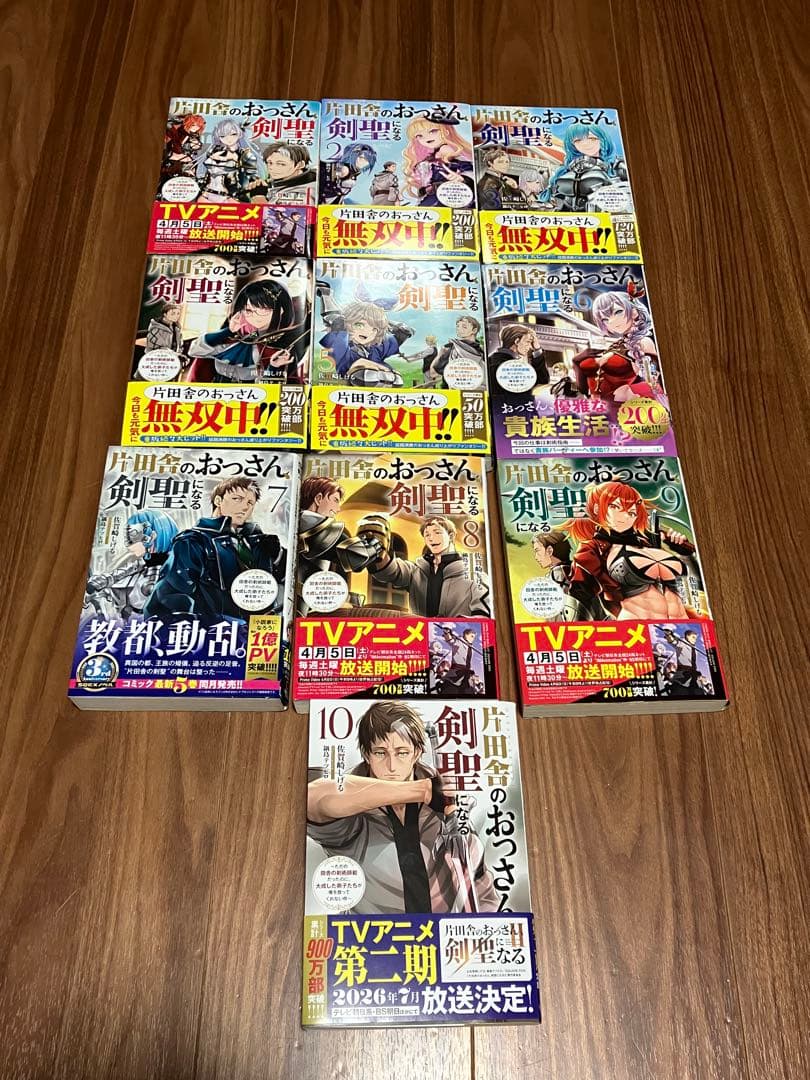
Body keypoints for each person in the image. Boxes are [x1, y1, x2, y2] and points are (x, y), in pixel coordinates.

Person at [306, 702, 498, 914]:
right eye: (380, 753)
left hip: (441, 931)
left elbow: (480, 888)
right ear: (367, 754)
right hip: (374, 932)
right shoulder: (349, 804)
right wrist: (423, 790)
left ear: (417, 752)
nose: (392, 766)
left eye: (402, 753)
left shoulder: (445, 801)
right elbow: (314, 797)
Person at [144, 477, 285, 621]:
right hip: (216, 629)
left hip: (260, 628)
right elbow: (171, 595)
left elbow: (288, 582)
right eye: (237, 499)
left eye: (250, 503)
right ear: (218, 501)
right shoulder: (193, 541)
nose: (245, 507)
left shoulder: (257, 540)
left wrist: (278, 556)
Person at [560, 481, 699, 621]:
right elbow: (578, 600)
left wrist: (684, 553)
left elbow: (694, 585)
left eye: (632, 512)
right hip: (635, 625)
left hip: (683, 624)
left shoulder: (646, 541)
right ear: (597, 509)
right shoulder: (592, 549)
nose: (626, 516)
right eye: (616, 507)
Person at [364, 514, 491, 618]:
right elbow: (391, 571)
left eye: (437, 532)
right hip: (419, 635)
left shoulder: (475, 575)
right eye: (427, 535)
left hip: (459, 637)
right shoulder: (417, 571)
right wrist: (378, 552)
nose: (431, 538)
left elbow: (484, 614)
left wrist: (460, 625)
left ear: (451, 536)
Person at [186, 278, 305, 383]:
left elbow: (274, 388)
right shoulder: (234, 334)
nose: (255, 316)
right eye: (249, 310)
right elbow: (196, 351)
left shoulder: (281, 345)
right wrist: (228, 331)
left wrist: (273, 367)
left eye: (263, 309)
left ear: (281, 311)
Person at [297, 477, 383, 613]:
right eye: (335, 500)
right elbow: (357, 558)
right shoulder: (315, 525)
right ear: (318, 499)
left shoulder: (294, 521)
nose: (337, 509)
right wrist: (374, 546)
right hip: (300, 602)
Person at [573, 285, 660, 407]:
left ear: (634, 312)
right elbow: (583, 387)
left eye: (618, 312)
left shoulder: (643, 342)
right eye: (605, 319)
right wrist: (576, 361)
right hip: (598, 408)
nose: (611, 322)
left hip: (624, 407)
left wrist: (629, 392)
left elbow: (655, 383)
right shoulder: (614, 346)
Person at [85, 510, 178, 619]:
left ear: (152, 537)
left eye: (133, 536)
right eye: (128, 537)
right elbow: (124, 571)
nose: (129, 545)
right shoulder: (142, 562)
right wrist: (103, 581)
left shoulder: (171, 567)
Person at [317, 282, 413, 386]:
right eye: (359, 325)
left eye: (374, 330)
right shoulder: (344, 347)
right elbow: (336, 320)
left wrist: (382, 323)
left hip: (380, 388)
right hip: (353, 383)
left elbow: (404, 332)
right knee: (365, 373)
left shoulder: (375, 348)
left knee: (395, 379)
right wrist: (326, 295)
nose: (367, 332)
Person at [540, 121, 627, 211]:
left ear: (602, 139)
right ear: (572, 144)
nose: (585, 144)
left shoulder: (617, 166)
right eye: (578, 140)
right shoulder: (566, 169)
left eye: (592, 138)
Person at [402, 114, 474, 206]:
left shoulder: (447, 149)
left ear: (446, 132)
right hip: (436, 197)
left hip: (448, 196)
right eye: (419, 135)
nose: (426, 137)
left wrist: (463, 178)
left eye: (433, 131)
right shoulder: (432, 156)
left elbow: (467, 168)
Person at [196, 118, 265, 202]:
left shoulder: (245, 154)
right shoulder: (213, 151)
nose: (228, 139)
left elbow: (253, 176)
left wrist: (236, 160)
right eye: (223, 136)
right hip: (209, 192)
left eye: (233, 134)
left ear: (239, 134)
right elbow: (203, 173)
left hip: (235, 195)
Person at [488, 323, 550, 393]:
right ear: (517, 341)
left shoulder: (490, 360)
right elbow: (542, 382)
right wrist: (537, 349)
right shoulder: (514, 367)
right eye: (528, 342)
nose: (530, 347)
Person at [431, 315, 485, 388]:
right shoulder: (482, 351)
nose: (459, 329)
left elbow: (433, 373)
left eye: (464, 327)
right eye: (458, 326)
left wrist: (441, 353)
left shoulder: (453, 348)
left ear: (474, 330)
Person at [249, 142, 315, 201]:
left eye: (281, 164)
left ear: (300, 165)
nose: (272, 168)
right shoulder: (282, 181)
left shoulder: (302, 193)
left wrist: (259, 197)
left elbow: (271, 211)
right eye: (270, 163)